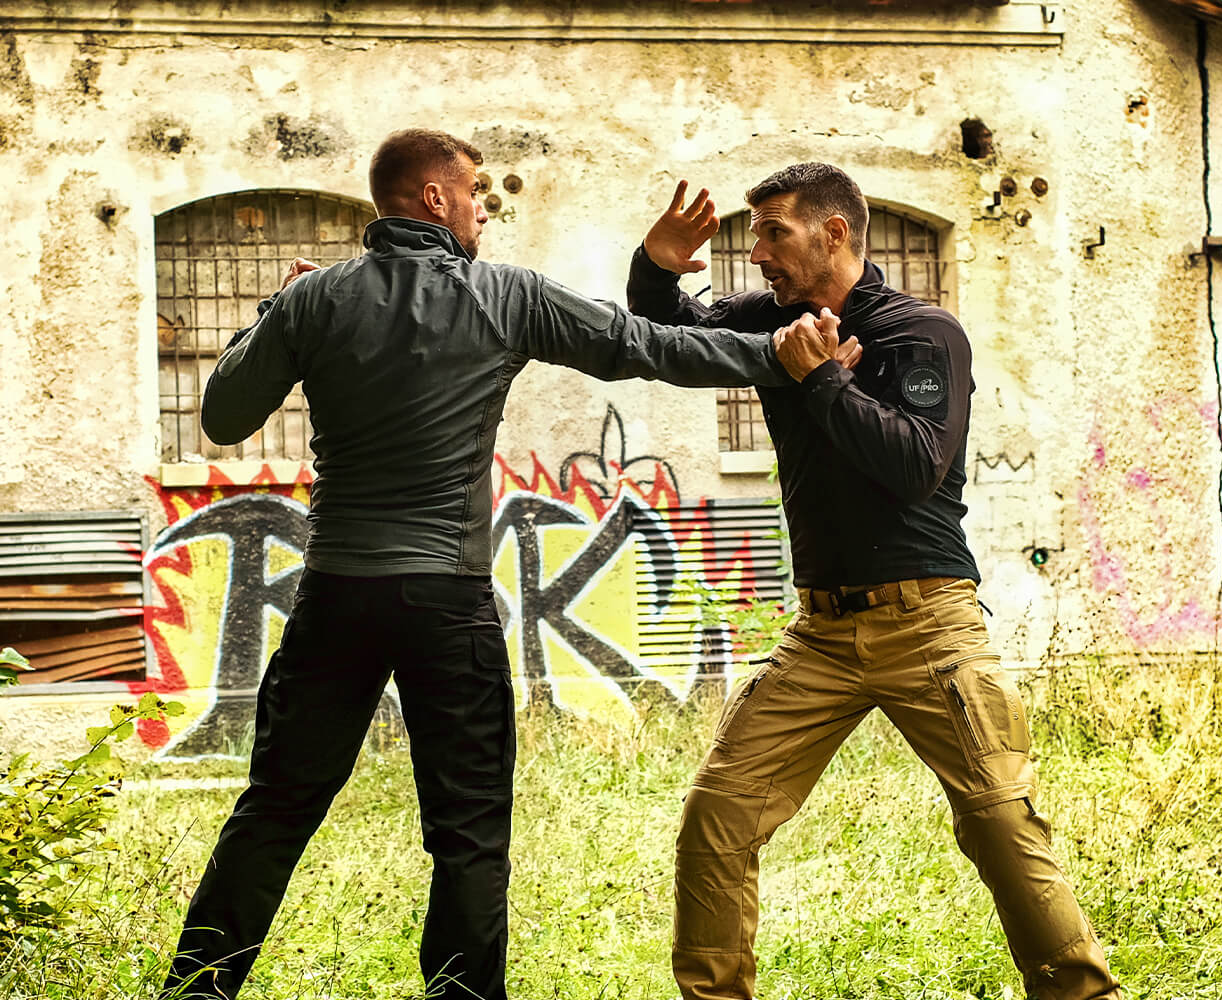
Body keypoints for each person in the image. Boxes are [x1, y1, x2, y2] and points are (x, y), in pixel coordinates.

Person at [162, 129, 849, 1000]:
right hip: (446, 607)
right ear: (435, 199)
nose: (483, 208)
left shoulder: (315, 300)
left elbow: (223, 415)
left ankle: (196, 992)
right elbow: (643, 345)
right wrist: (776, 357)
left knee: (274, 809)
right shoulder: (505, 295)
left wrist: (277, 308)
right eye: (475, 191)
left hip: (336, 598)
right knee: (469, 835)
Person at [628, 164, 1122, 1000]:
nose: (758, 253)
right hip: (819, 635)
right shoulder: (772, 321)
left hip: (928, 624)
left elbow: (916, 466)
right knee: (719, 812)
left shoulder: (921, 334)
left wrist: (822, 380)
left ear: (834, 233)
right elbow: (669, 339)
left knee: (1000, 819)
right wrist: (656, 267)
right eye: (755, 235)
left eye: (774, 232)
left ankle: (1083, 995)